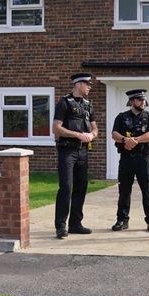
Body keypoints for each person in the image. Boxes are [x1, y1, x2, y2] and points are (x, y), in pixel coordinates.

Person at [52, 72, 98, 239]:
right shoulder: (64, 103)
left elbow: (95, 128)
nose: (89, 87)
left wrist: (92, 135)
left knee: (81, 187)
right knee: (66, 187)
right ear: (78, 84)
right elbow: (56, 128)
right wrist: (77, 135)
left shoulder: (88, 105)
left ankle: (75, 224)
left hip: (83, 152)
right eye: (87, 84)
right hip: (67, 151)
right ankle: (61, 225)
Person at [110, 89, 149, 233]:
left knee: (148, 191)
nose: (143, 102)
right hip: (126, 159)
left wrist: (135, 140)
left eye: (144, 99)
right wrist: (125, 140)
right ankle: (122, 220)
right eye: (139, 99)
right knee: (124, 191)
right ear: (132, 101)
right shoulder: (121, 117)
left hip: (144, 158)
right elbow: (114, 134)